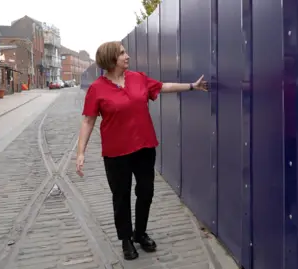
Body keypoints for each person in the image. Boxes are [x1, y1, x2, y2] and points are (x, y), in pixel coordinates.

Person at [75, 41, 208, 260]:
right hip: (116, 153)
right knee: (121, 196)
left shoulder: (138, 78)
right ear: (111, 60)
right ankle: (126, 239)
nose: (127, 56)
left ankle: (140, 233)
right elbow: (88, 121)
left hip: (144, 147)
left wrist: (192, 86)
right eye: (122, 53)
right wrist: (81, 153)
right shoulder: (97, 89)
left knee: (146, 191)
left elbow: (163, 87)